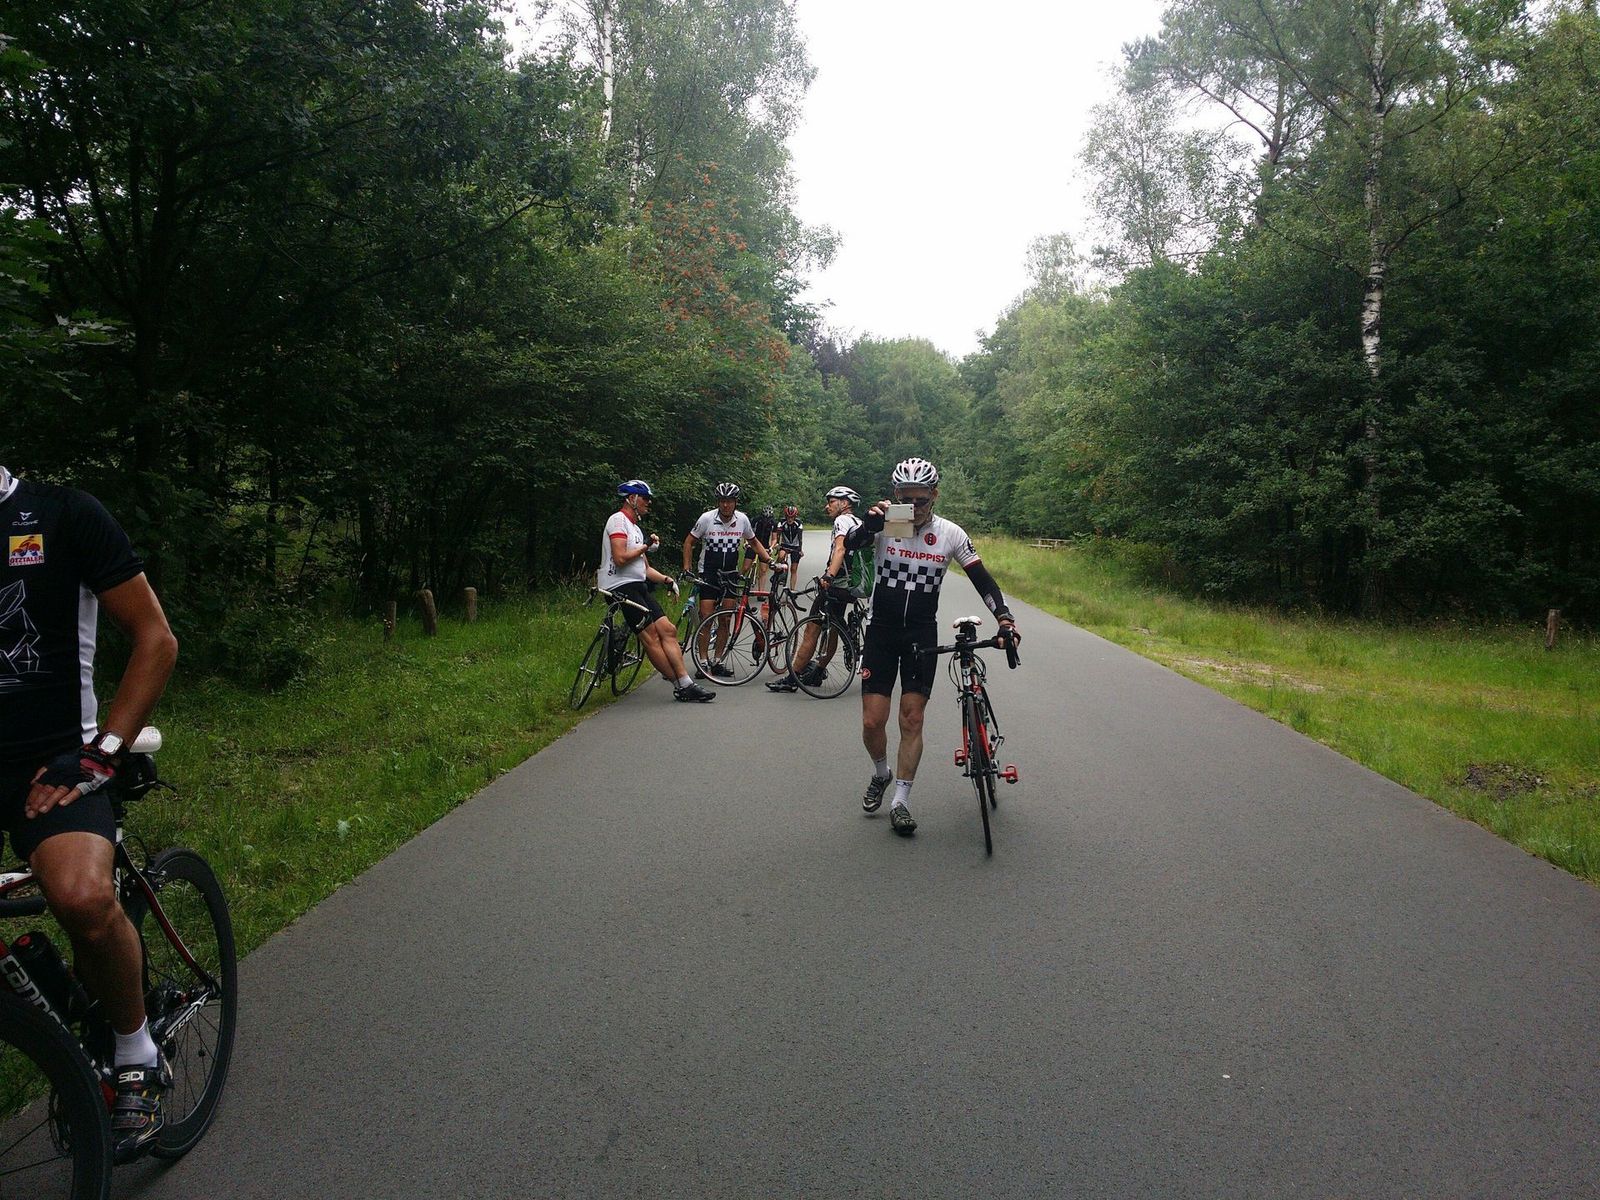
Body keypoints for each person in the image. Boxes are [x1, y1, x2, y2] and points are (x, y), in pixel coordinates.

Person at [0, 463, 181, 1159]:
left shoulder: (62, 514)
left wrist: (102, 753)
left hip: (56, 761)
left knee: (81, 897)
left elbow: (156, 639)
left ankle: (135, 1050)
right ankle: (61, 1011)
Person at [851, 457, 1020, 836]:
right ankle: (881, 772)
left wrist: (1005, 618)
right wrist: (868, 526)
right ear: (896, 496)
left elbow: (983, 581)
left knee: (912, 719)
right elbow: (851, 545)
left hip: (920, 633)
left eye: (922, 500)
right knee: (872, 721)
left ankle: (901, 801)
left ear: (935, 495)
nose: (914, 508)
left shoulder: (949, 533)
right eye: (906, 500)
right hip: (881, 631)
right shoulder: (888, 523)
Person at [602, 480, 716, 702]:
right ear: (632, 498)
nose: (649, 502)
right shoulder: (617, 521)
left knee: (669, 630)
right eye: (645, 498)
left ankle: (685, 682)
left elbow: (644, 568)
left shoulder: (635, 528)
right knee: (651, 637)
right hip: (619, 586)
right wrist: (645, 546)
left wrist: (667, 580)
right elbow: (620, 558)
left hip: (637, 585)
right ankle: (681, 685)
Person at [767, 486, 869, 692]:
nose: (827, 506)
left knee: (811, 629)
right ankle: (819, 670)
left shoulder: (842, 521)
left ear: (844, 503)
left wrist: (829, 575)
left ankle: (792, 679)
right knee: (833, 627)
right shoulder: (858, 522)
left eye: (831, 502)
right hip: (851, 584)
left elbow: (840, 549)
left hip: (837, 582)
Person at [680, 482, 772, 679]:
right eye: (722, 501)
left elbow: (754, 542)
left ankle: (717, 661)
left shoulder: (742, 520)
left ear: (735, 502)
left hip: (730, 574)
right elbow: (689, 542)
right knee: (706, 618)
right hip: (709, 573)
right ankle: (703, 661)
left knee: (726, 619)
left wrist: (769, 560)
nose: (726, 505)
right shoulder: (707, 518)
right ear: (718, 502)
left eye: (729, 501)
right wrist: (687, 568)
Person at [747, 504, 779, 600]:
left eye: (768, 518)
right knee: (745, 567)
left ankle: (760, 593)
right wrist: (746, 543)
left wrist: (771, 547)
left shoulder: (773, 523)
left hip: (765, 547)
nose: (766, 520)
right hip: (753, 544)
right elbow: (748, 533)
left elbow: (774, 538)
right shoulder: (756, 520)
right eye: (765, 518)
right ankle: (737, 587)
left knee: (763, 570)